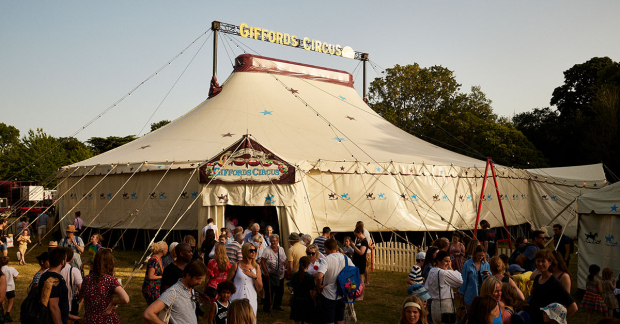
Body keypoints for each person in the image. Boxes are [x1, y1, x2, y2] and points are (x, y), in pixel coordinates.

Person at [143, 260, 209, 324]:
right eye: (198, 279)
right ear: (188, 275)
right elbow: (148, 314)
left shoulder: (191, 289)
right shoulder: (172, 292)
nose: (200, 283)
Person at [527, 249, 577, 324]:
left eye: (543, 261)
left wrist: (558, 320)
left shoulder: (554, 282)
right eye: (538, 261)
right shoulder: (537, 278)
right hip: (533, 319)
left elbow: (573, 307)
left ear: (550, 262)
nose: (540, 264)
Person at [80, 248, 130, 323]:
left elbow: (82, 296)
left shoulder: (86, 279)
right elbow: (125, 299)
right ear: (110, 263)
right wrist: (112, 303)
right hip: (106, 319)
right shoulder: (110, 280)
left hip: (90, 319)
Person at [315, 238, 354, 324]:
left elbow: (319, 276)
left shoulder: (326, 259)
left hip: (328, 294)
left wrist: (319, 286)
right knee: (340, 319)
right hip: (342, 292)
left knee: (329, 320)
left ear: (326, 248)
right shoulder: (345, 258)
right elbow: (354, 271)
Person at [424, 250, 463, 324]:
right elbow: (459, 281)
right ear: (438, 261)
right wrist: (451, 268)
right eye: (446, 261)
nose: (448, 264)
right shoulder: (443, 273)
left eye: (449, 261)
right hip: (445, 305)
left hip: (434, 305)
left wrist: (446, 291)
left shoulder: (432, 271)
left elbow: (428, 287)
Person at [228, 242, 263, 317]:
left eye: (255, 250)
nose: (253, 252)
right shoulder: (236, 265)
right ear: (245, 251)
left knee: (250, 318)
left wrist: (254, 276)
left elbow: (260, 287)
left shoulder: (256, 267)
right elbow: (227, 283)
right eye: (251, 250)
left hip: (251, 297)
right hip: (236, 296)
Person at [39, 248, 69, 324]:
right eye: (65, 259)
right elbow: (53, 307)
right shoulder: (55, 280)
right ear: (62, 262)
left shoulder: (44, 275)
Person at [260, 234, 286, 313]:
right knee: (269, 291)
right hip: (269, 274)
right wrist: (266, 272)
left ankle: (277, 305)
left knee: (280, 290)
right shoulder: (267, 250)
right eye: (271, 241)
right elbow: (262, 262)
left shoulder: (281, 249)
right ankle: (267, 307)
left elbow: (284, 260)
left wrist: (284, 269)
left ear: (278, 241)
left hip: (280, 274)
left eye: (274, 241)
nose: (273, 242)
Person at [289, 256, 317, 324]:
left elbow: (290, 288)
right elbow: (311, 291)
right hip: (307, 302)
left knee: (296, 321)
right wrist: (315, 301)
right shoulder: (309, 277)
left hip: (296, 301)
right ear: (308, 265)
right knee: (307, 321)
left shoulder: (295, 275)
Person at [142, 241, 167, 305]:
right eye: (166, 249)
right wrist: (162, 277)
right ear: (163, 250)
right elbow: (150, 276)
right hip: (151, 289)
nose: (167, 251)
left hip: (157, 288)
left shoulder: (160, 259)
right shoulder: (153, 260)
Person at [60, 247, 82, 317]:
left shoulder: (51, 269)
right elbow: (81, 289)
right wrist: (80, 298)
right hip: (68, 303)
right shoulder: (74, 271)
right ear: (71, 259)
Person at [355, 221, 375, 285]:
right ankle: (365, 280)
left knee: (365, 267)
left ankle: (367, 281)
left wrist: (370, 246)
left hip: (366, 252)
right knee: (366, 266)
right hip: (366, 250)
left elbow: (366, 242)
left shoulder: (364, 232)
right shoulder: (365, 231)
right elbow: (369, 239)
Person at [0, 257, 16, 322]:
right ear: (8, 262)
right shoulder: (11, 269)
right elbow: (16, 276)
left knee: (2, 301)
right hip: (10, 287)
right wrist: (12, 279)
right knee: (10, 301)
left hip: (2, 288)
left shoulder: (1, 269)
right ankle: (8, 313)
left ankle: (2, 313)